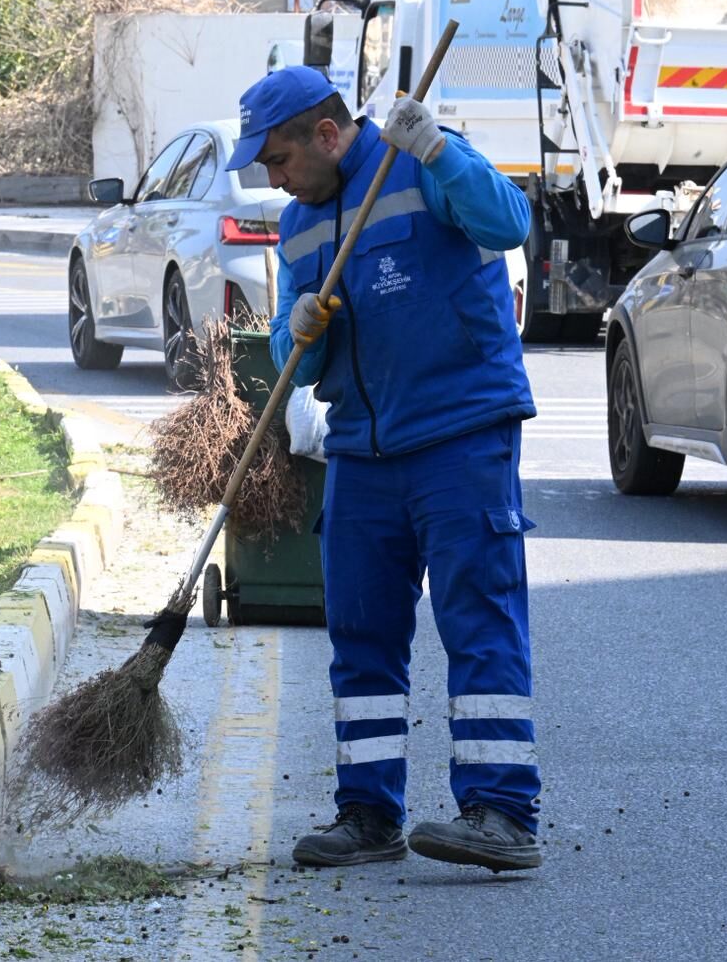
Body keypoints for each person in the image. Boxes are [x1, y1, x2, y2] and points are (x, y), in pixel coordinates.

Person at [224, 66, 543, 872]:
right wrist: (297, 328)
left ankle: (502, 813)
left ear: (326, 135)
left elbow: (508, 224)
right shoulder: (298, 226)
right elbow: (296, 361)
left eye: (279, 159)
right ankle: (368, 815)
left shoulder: (421, 165)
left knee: (478, 618)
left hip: (460, 432)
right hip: (362, 446)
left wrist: (438, 148)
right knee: (360, 631)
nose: (274, 178)